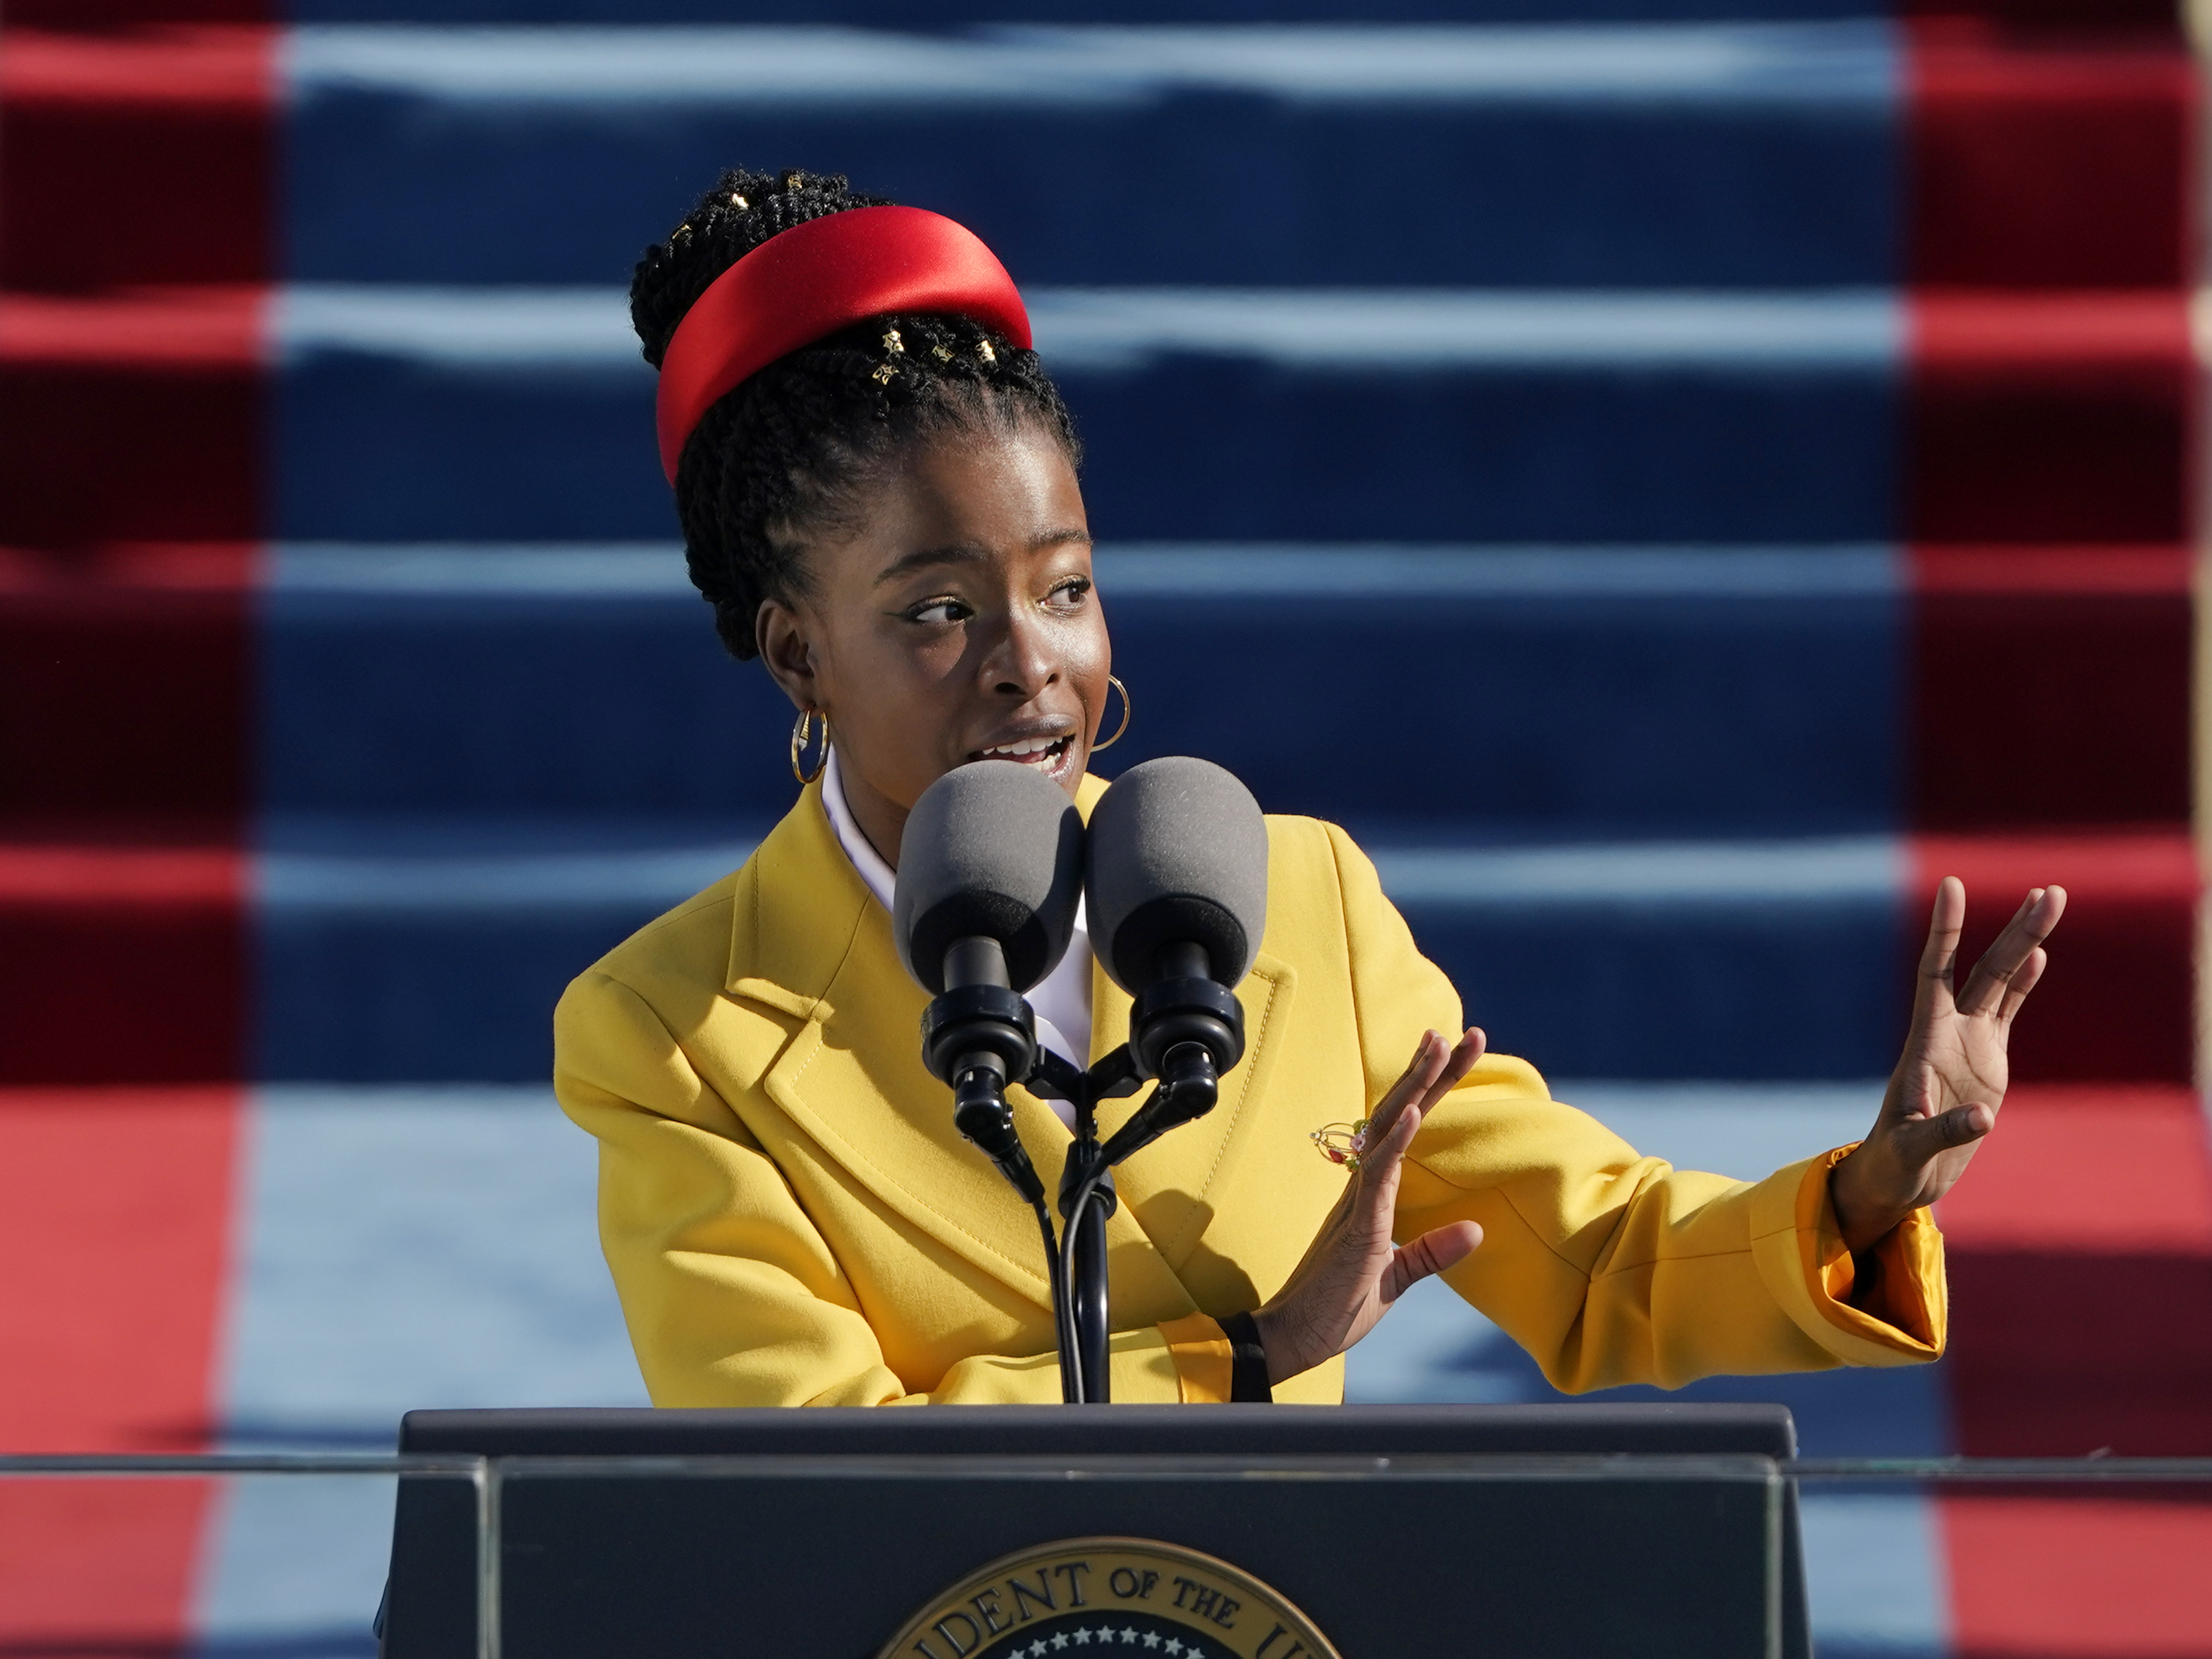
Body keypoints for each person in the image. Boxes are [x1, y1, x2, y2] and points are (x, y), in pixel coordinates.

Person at [554, 166, 2065, 1407]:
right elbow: (801, 1481)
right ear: (796, 653)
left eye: (1066, 587)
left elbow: (1598, 1260)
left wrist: (1867, 1198)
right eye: (941, 610)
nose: (1034, 664)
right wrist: (1253, 1358)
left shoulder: (1295, 904)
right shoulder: (676, 1033)